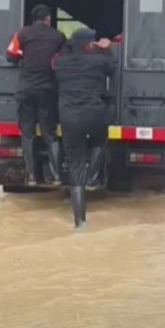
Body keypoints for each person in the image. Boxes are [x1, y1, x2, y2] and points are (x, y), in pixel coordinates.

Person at [52, 28, 116, 228]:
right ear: (87, 44)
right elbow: (112, 68)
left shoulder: (61, 63)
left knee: (75, 168)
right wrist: (106, 49)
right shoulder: (97, 61)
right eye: (92, 42)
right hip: (93, 115)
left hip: (69, 119)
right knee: (100, 140)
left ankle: (80, 222)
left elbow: (56, 62)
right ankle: (93, 177)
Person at [6, 4, 66, 186]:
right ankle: (56, 175)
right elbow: (64, 59)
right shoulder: (58, 36)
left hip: (26, 90)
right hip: (47, 91)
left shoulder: (22, 34)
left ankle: (31, 176)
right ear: (48, 19)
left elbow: (10, 54)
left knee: (28, 134)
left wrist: (24, 54)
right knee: (50, 133)